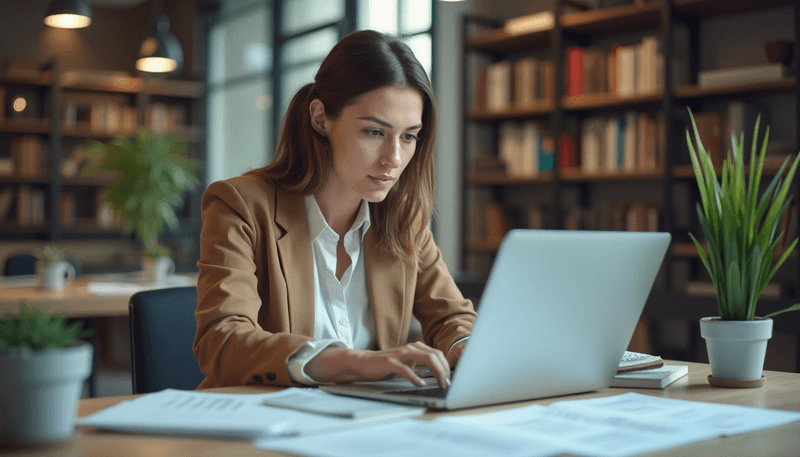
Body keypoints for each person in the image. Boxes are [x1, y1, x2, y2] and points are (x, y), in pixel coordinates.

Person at [193, 30, 476, 390]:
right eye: (375, 132)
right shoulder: (241, 206)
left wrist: (462, 346)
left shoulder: (403, 218)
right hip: (263, 423)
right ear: (320, 118)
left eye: (408, 137)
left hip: (369, 425)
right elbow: (222, 340)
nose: (393, 159)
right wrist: (355, 363)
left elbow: (451, 315)